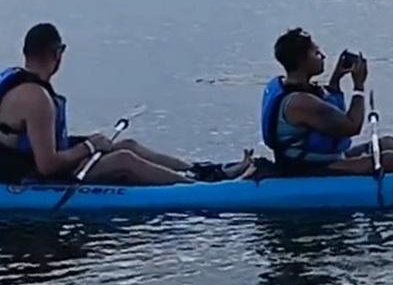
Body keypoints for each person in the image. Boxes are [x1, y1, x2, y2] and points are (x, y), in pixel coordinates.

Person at [0, 22, 253, 186]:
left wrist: (90, 143)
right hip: (28, 176)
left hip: (31, 163)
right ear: (58, 53)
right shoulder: (37, 99)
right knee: (124, 159)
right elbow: (47, 166)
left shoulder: (15, 79)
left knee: (127, 145)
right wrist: (89, 146)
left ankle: (206, 172)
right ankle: (199, 190)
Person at [259, 27, 393, 176]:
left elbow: (328, 111)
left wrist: (336, 80)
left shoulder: (291, 86)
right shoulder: (300, 103)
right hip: (306, 167)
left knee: (387, 143)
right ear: (302, 60)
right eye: (316, 53)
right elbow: (352, 126)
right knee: (388, 158)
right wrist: (358, 86)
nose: (323, 56)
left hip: (322, 158)